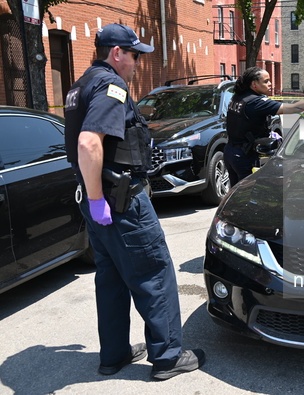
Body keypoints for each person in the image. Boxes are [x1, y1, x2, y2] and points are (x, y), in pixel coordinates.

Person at [64, 23, 204, 381]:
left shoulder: (79, 86)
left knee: (111, 278)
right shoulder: (111, 84)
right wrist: (99, 200)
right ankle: (169, 356)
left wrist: (94, 201)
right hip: (119, 201)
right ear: (116, 54)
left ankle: (113, 355)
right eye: (135, 55)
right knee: (153, 272)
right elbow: (88, 144)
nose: (137, 63)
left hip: (98, 202)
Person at [224, 66, 304, 186]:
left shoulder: (239, 97)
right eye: (266, 81)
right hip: (244, 156)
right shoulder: (256, 102)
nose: (270, 83)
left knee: (235, 191)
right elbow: (292, 108)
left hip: (231, 152)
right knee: (245, 195)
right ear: (254, 84)